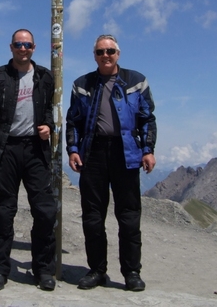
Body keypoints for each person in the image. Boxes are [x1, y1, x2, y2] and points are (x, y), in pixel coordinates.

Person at [0, 29, 57, 292]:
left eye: (27, 44)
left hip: (35, 150)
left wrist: (48, 126)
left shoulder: (44, 76)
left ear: (34, 47)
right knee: (4, 211)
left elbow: (50, 109)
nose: (23, 48)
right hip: (5, 149)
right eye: (18, 44)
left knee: (45, 211)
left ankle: (43, 270)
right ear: (11, 47)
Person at [66, 34, 157, 291]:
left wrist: (148, 150)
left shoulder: (136, 81)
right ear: (94, 55)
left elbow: (147, 118)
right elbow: (73, 121)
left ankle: (131, 273)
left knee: (128, 216)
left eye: (110, 51)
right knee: (93, 217)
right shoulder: (82, 84)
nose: (106, 55)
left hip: (126, 152)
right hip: (93, 153)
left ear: (118, 53)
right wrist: (73, 149)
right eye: (100, 52)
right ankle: (97, 271)